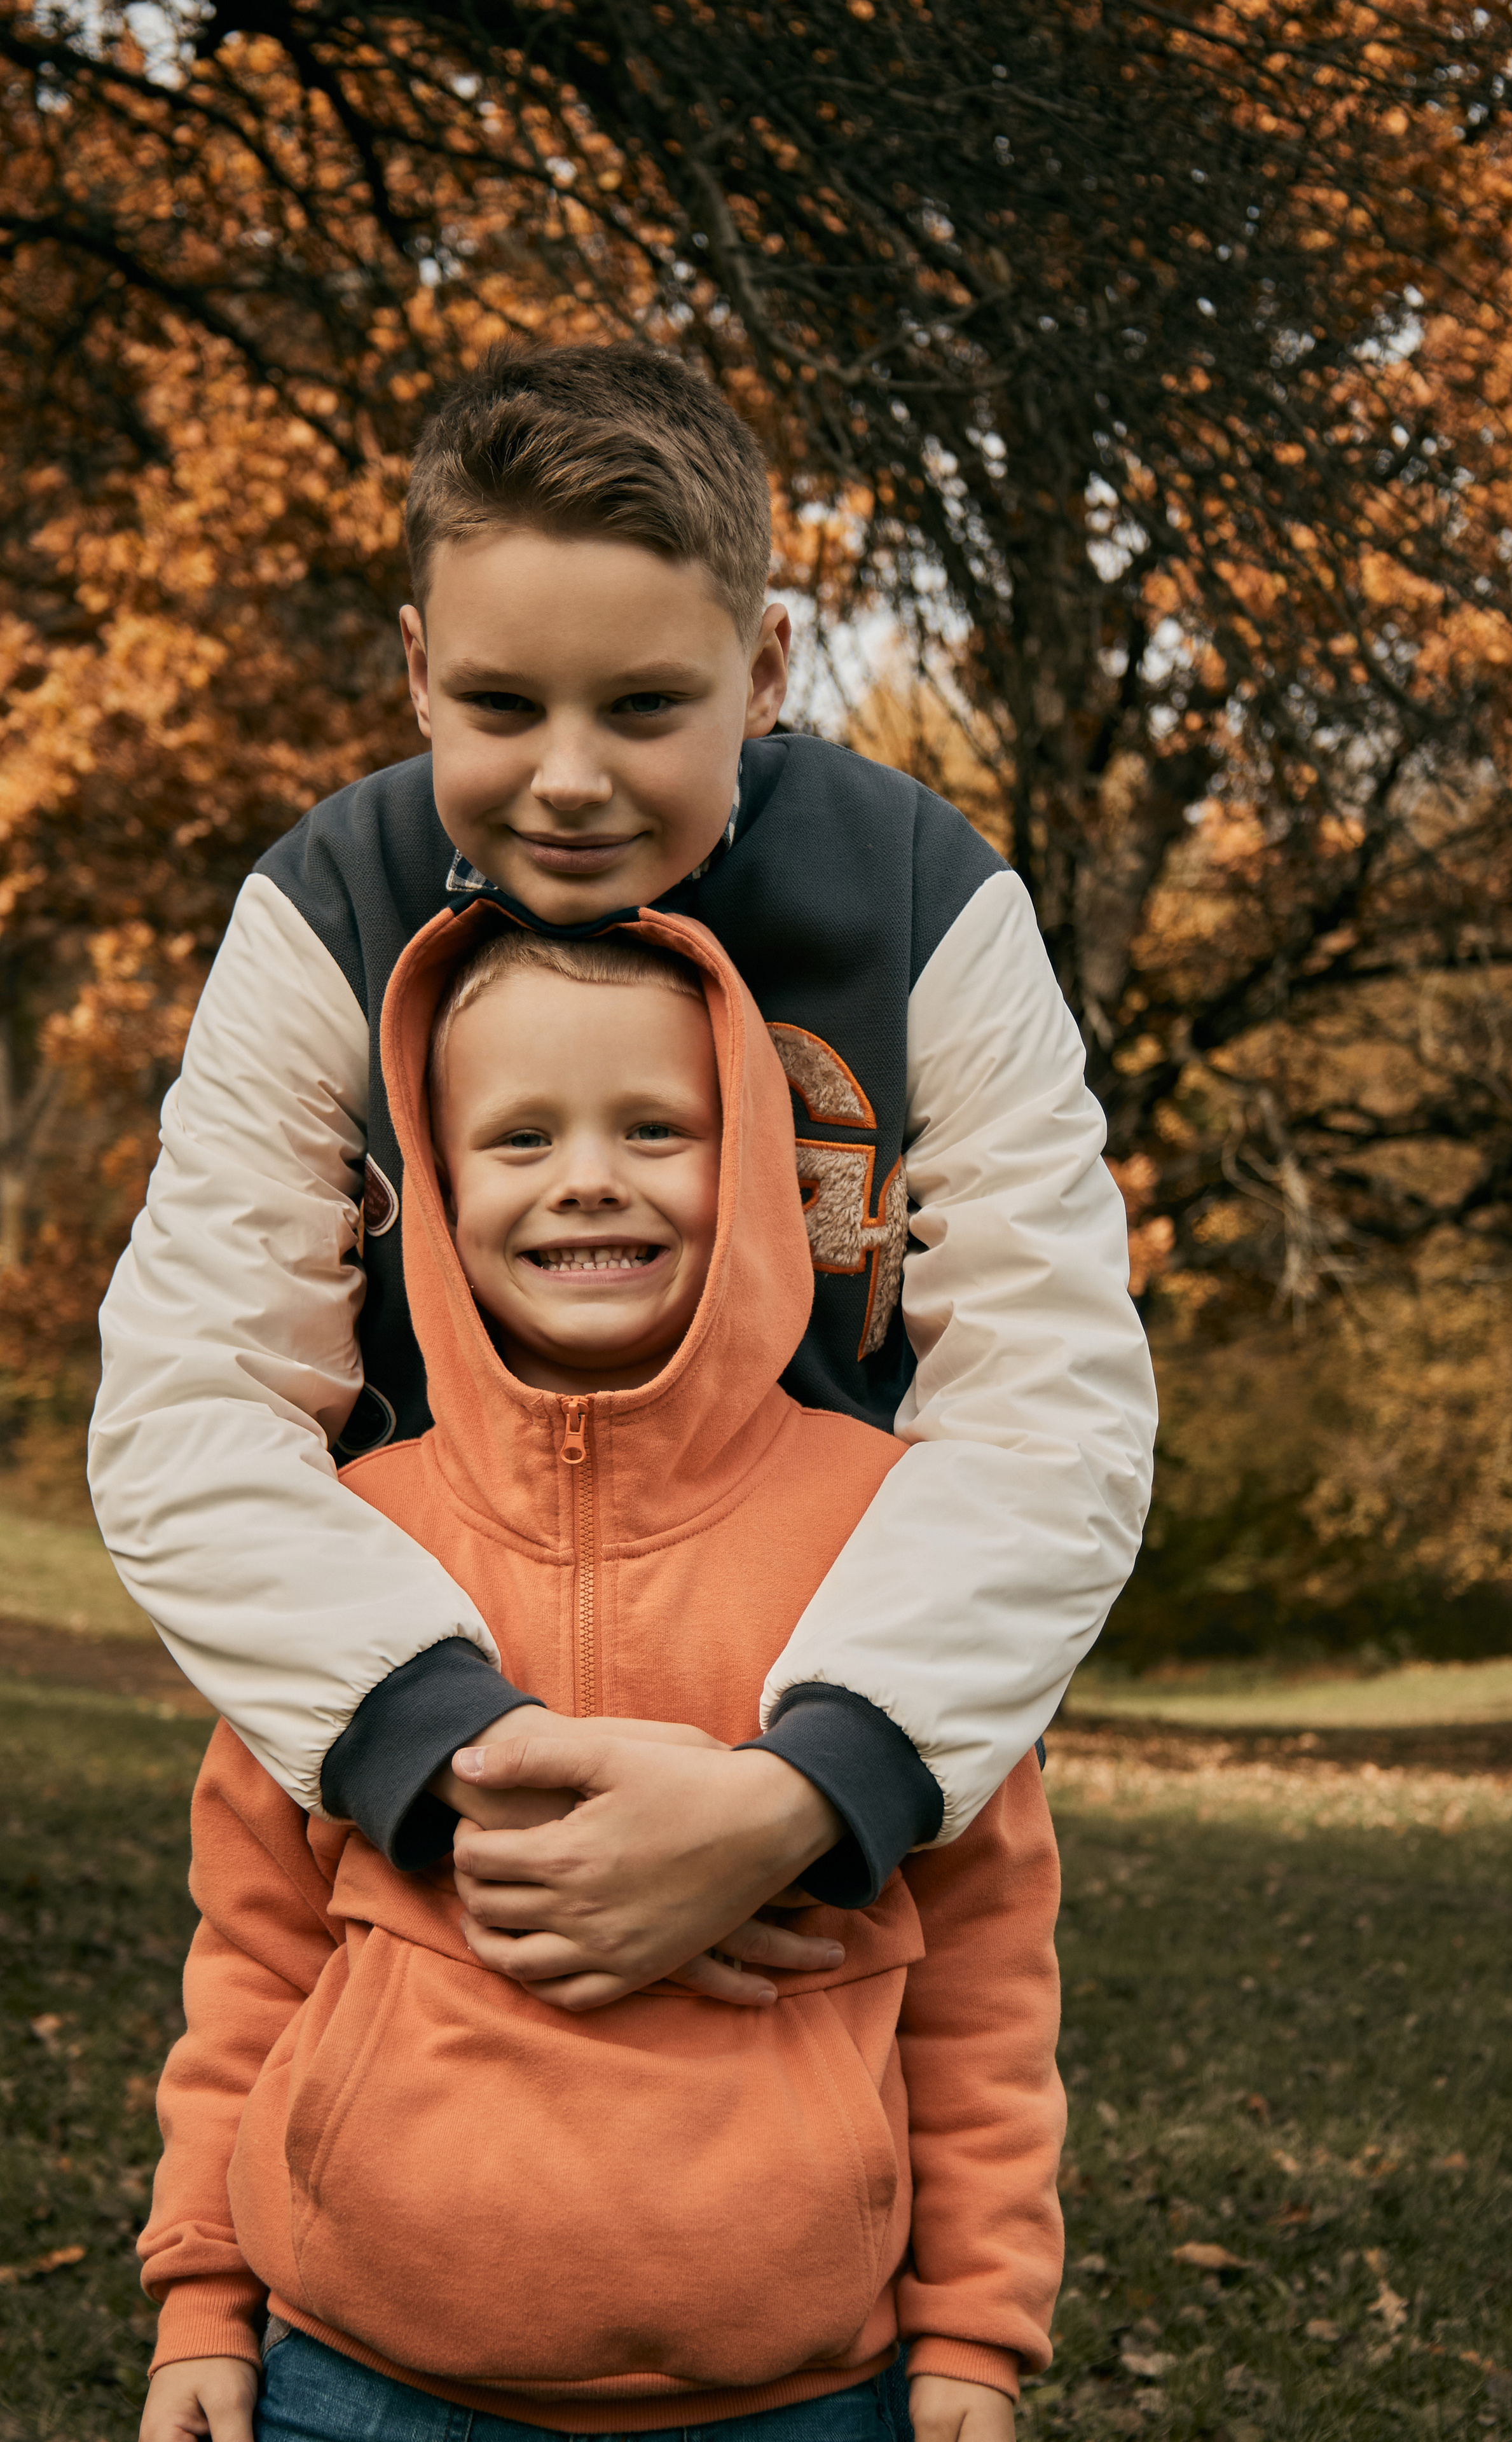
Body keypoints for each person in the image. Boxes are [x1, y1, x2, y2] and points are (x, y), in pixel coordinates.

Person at [90, 340, 1157, 2003]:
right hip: (434, 1767)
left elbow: (1053, 1408)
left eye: (648, 707)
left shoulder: (929, 906)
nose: (569, 779)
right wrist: (471, 1769)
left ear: (770, 662)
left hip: (814, 1741)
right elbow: (188, 1406)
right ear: (420, 672)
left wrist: (796, 1793)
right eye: (505, 706)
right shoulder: (323, 914)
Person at [137, 916, 1066, 2442]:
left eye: (656, 1128)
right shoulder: (344, 1548)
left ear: (758, 1165)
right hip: (356, 2376)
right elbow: (252, 1948)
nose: (587, 1175)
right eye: (518, 1137)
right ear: (431, 1189)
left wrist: (969, 2332)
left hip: (792, 2394)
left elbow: (979, 1978)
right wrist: (202, 2297)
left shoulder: (899, 1546)